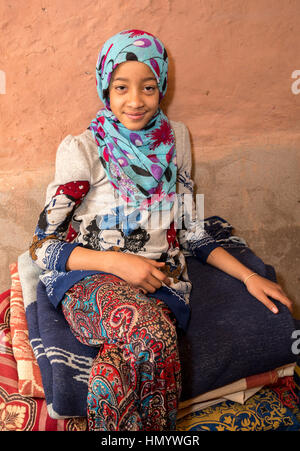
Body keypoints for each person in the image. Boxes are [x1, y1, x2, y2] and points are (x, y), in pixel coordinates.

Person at [29, 29, 293, 431]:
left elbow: (192, 232)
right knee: (152, 335)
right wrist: (120, 264)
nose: (135, 101)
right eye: (121, 87)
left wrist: (250, 276)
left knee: (118, 370)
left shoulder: (176, 141)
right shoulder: (83, 150)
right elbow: (41, 247)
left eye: (148, 87)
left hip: (163, 285)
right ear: (105, 87)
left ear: (162, 87)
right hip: (88, 277)